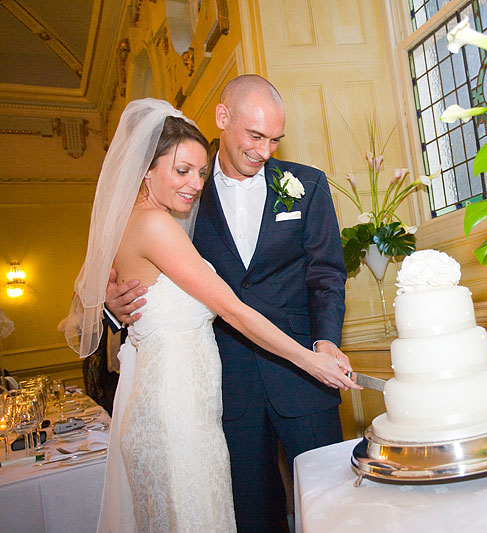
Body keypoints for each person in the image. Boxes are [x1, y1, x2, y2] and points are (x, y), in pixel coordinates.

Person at [65, 98, 356, 532]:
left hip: (299, 385)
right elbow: (223, 304)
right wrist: (112, 307)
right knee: (246, 515)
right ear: (224, 119)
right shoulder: (177, 206)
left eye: (275, 139)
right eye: (255, 136)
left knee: (333, 507)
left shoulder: (304, 184)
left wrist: (324, 344)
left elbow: (327, 275)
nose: (265, 150)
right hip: (220, 391)